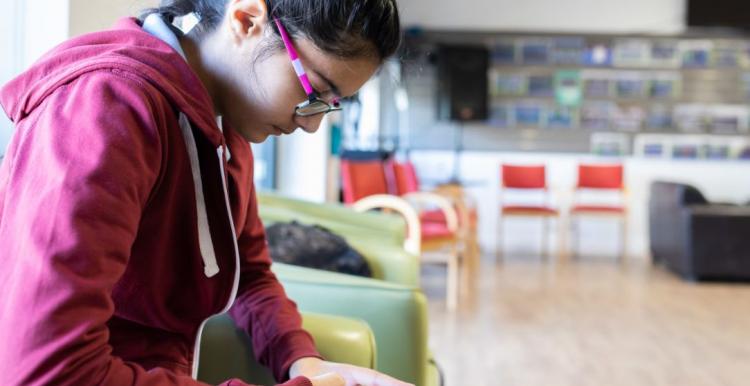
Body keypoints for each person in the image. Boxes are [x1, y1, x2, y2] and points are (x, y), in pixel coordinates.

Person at [0, 0, 409, 385]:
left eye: (330, 104)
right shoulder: (106, 108)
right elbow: (46, 370)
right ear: (246, 19)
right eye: (313, 91)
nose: (312, 125)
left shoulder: (228, 124)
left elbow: (248, 275)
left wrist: (303, 361)